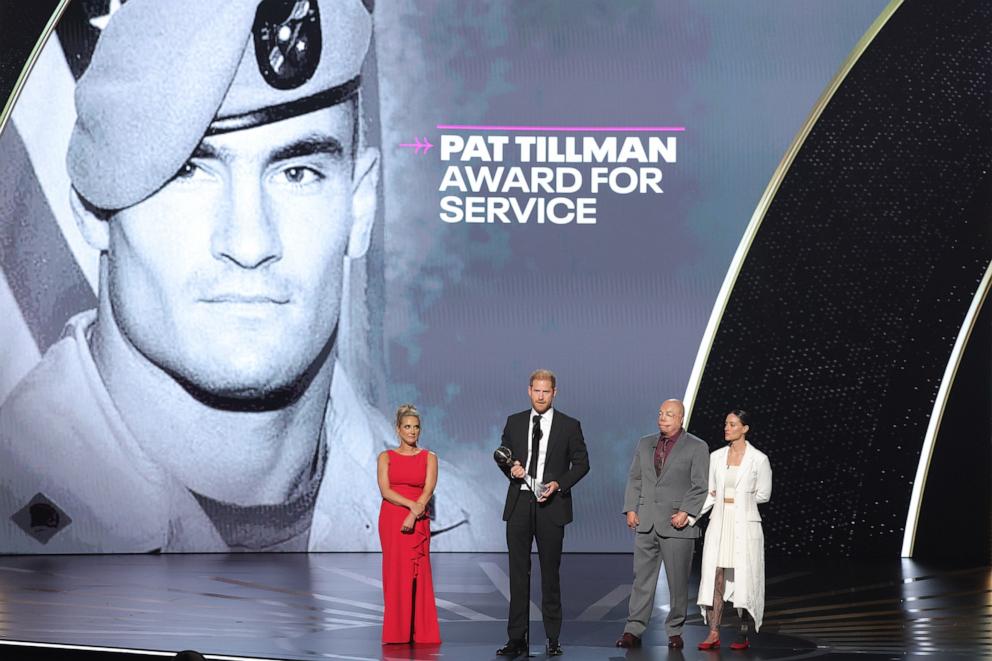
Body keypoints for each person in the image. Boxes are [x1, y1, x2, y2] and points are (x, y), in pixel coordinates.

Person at [0, 0, 481, 553]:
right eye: (190, 172)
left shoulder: (473, 546)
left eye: (298, 172)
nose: (250, 244)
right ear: (91, 208)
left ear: (361, 206)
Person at [495, 370, 589, 657]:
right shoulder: (515, 421)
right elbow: (502, 454)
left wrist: (558, 484)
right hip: (520, 505)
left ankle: (552, 638)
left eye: (546, 391)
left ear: (554, 393)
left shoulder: (569, 425)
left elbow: (582, 464)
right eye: (536, 390)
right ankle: (516, 639)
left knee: (550, 574)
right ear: (529, 390)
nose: (540, 396)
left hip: (551, 506)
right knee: (517, 575)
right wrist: (511, 469)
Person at [616, 399, 709, 650]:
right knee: (641, 579)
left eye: (669, 414)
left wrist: (687, 512)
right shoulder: (645, 443)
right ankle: (633, 629)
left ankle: (675, 631)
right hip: (646, 521)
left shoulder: (697, 446)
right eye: (660, 413)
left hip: (677, 524)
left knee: (678, 582)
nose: (663, 417)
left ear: (681, 418)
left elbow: (700, 485)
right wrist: (631, 508)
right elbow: (635, 477)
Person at [696, 409, 772, 651]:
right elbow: (710, 492)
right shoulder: (717, 457)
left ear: (745, 428)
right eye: (726, 424)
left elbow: (763, 494)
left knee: (743, 578)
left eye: (732, 424)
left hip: (744, 522)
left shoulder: (758, 459)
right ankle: (714, 632)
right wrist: (689, 517)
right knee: (715, 575)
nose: (726, 428)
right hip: (720, 521)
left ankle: (743, 633)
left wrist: (739, 498)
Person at [377, 404, 441, 644]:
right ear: (398, 429)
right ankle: (397, 633)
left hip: (417, 519)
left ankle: (420, 632)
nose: (412, 431)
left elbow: (428, 489)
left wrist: (414, 513)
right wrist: (409, 506)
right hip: (392, 518)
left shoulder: (429, 457)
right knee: (395, 575)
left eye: (416, 427)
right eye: (407, 427)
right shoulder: (385, 457)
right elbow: (385, 490)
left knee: (418, 575)